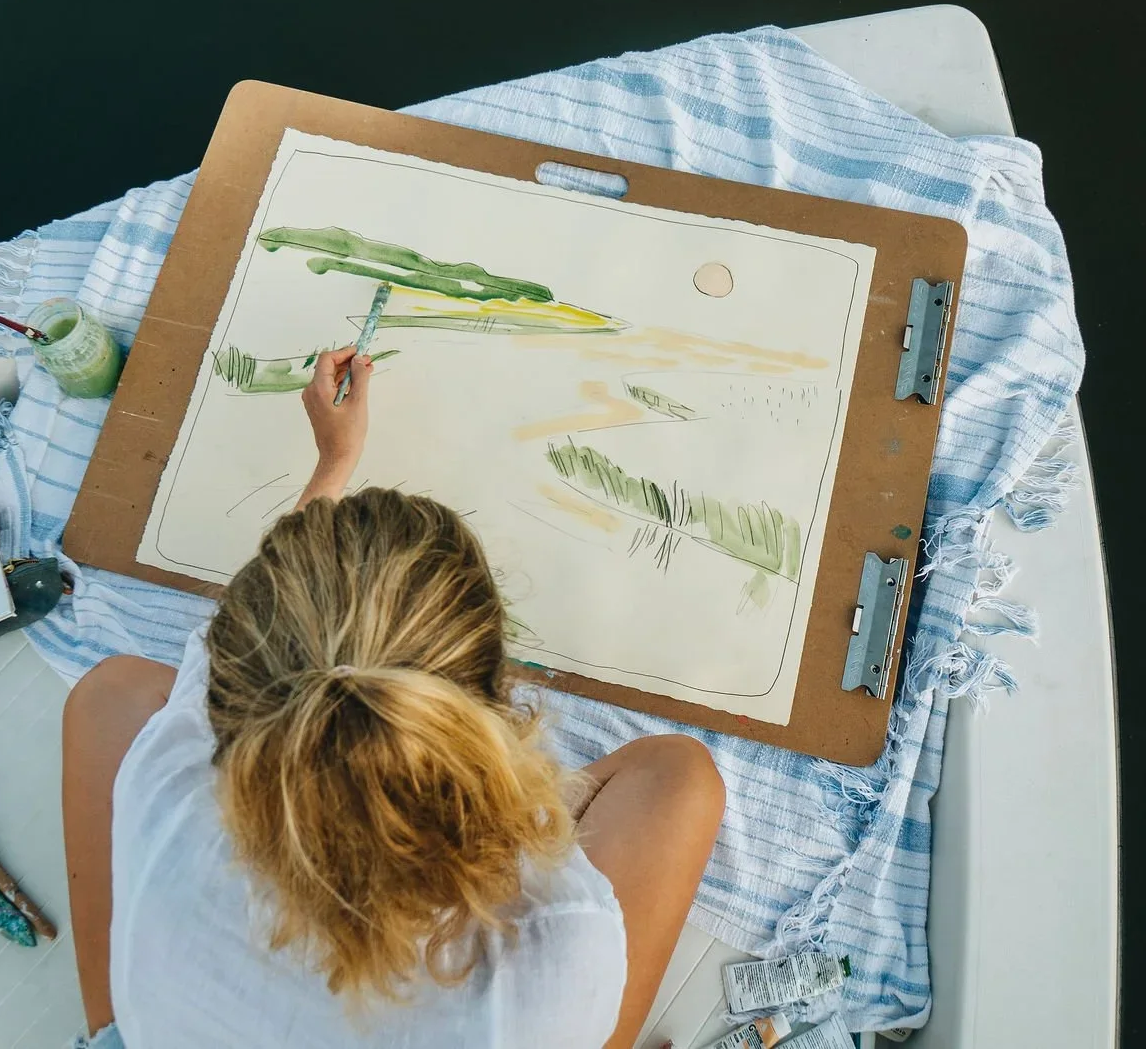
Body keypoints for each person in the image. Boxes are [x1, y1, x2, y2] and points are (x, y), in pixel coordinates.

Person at [62, 346, 726, 1048]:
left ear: (234, 683)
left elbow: (281, 645)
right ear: (496, 700)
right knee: (678, 781)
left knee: (110, 694)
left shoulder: (172, 776)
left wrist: (331, 468)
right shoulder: (548, 945)